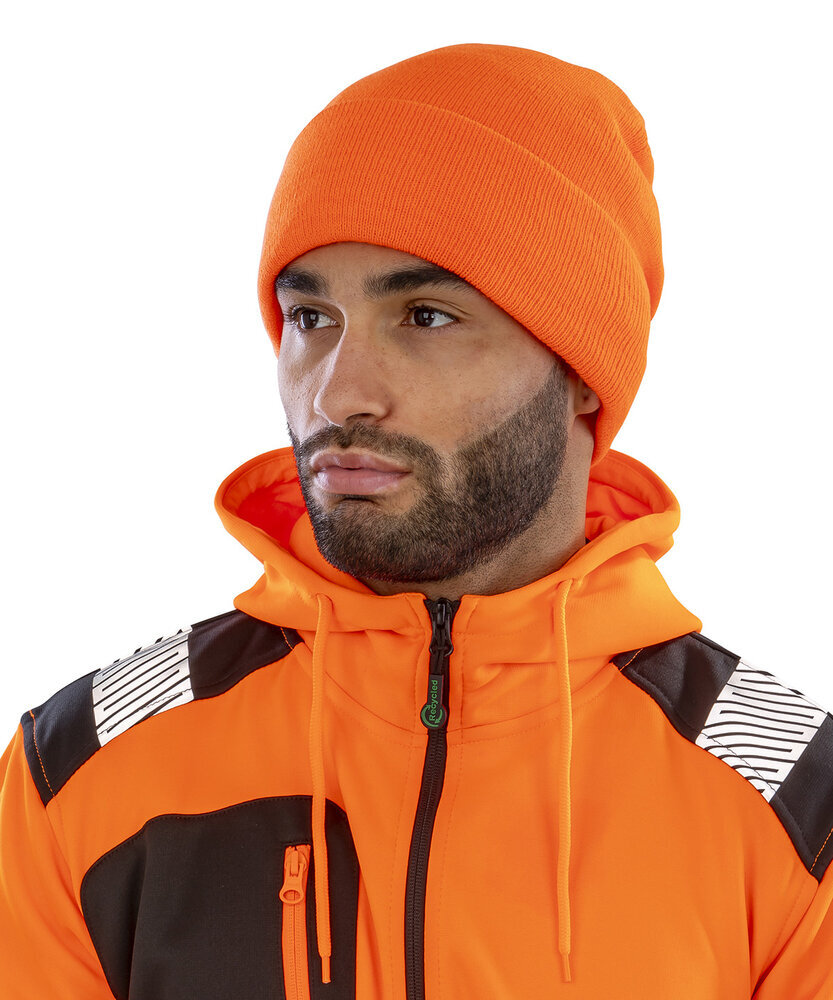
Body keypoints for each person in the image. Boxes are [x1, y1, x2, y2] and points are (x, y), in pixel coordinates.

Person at [1, 41, 831, 999]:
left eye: (425, 316)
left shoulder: (795, 801)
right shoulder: (82, 763)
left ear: (580, 374)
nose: (337, 393)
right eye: (310, 318)